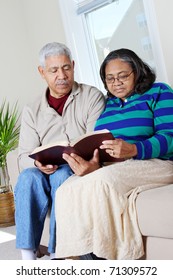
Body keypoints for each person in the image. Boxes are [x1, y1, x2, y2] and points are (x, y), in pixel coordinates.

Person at [55, 48, 173, 260]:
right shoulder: (108, 105)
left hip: (156, 162)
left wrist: (135, 149)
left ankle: (108, 258)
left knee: (102, 182)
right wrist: (93, 165)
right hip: (115, 166)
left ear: (137, 72)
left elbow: (170, 136)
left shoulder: (159, 92)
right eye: (110, 78)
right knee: (66, 189)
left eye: (122, 76)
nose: (116, 82)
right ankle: (81, 259)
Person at [14, 42, 105, 260]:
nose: (61, 75)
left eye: (66, 68)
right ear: (42, 72)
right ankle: (28, 257)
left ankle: (57, 253)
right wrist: (37, 164)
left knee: (63, 175)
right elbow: (23, 155)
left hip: (76, 168)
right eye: (54, 70)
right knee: (27, 177)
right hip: (44, 170)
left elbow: (95, 141)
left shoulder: (92, 96)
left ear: (73, 66)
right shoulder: (32, 108)